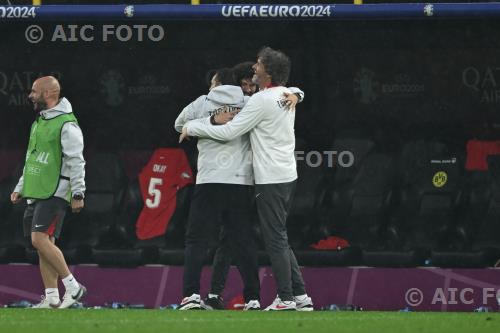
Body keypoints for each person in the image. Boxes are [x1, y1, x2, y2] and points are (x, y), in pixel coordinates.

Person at [180, 47, 313, 311]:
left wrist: (192, 126)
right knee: (277, 236)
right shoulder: (283, 95)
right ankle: (300, 297)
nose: (254, 68)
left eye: (259, 65)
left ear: (269, 72)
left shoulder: (260, 101)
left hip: (269, 177)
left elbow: (230, 131)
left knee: (274, 238)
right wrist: (299, 93)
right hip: (286, 174)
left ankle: (286, 299)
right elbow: (293, 91)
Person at [10, 76, 87, 309]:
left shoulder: (67, 124)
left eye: (34, 91)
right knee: (44, 244)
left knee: (39, 239)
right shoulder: (39, 122)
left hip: (55, 191)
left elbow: (76, 160)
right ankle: (52, 297)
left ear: (48, 94)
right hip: (37, 189)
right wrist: (21, 186)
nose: (30, 95)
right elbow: (31, 158)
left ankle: (73, 287)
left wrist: (78, 193)